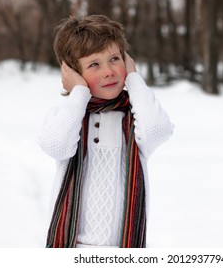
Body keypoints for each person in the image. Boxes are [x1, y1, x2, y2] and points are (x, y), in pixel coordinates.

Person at [38, 15, 173, 248]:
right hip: (71, 247)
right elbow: (56, 146)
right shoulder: (68, 116)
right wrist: (79, 92)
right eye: (94, 64)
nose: (109, 71)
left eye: (114, 59)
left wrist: (133, 79)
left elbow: (157, 130)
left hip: (124, 248)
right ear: (72, 73)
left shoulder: (135, 118)